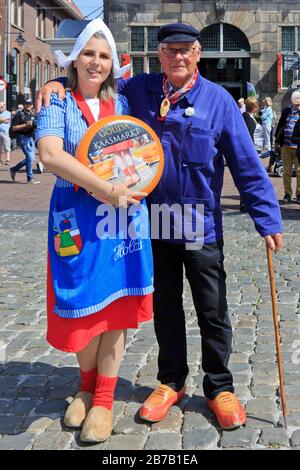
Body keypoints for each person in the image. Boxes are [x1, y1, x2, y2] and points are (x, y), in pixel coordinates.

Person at [37, 22, 283, 431]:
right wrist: (57, 81)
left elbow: (246, 164)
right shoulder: (139, 92)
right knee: (166, 308)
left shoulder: (219, 101)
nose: (178, 57)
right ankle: (170, 381)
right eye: (170, 50)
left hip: (198, 221)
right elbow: (93, 78)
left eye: (186, 50)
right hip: (152, 221)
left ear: (198, 54)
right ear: (160, 56)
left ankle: (219, 387)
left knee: (212, 308)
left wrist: (267, 217)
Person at [35, 18, 154, 443]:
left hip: (121, 218)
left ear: (112, 64)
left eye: (104, 56)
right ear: (74, 59)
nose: (96, 63)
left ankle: (103, 398)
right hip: (75, 215)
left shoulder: (120, 106)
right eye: (89, 53)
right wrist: (104, 188)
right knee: (82, 299)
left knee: (116, 304)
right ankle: (84, 386)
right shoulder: (57, 103)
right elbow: (49, 154)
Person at [275, 90, 300, 203]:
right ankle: (287, 193)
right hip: (285, 145)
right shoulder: (287, 110)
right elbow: (280, 125)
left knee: (299, 171)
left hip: (298, 146)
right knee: (286, 171)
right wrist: (277, 141)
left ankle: (299, 194)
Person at [10, 99, 40, 184]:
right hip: (22, 137)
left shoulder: (33, 115)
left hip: (31, 138)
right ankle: (30, 178)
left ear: (32, 106)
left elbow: (36, 126)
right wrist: (25, 125)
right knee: (30, 158)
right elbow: (13, 128)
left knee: (31, 158)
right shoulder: (19, 114)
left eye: (29, 104)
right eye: (26, 104)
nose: (28, 106)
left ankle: (14, 169)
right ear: (24, 105)